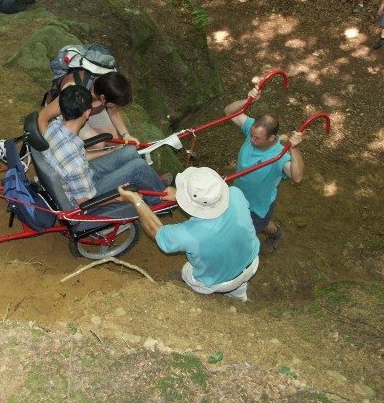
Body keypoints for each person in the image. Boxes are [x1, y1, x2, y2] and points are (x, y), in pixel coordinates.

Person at [118, 167, 260, 302]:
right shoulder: (236, 194)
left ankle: (203, 297)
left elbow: (154, 230)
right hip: (251, 262)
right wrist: (180, 197)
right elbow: (210, 207)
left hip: (217, 281)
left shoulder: (188, 234)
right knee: (238, 288)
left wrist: (136, 200)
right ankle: (240, 300)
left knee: (187, 270)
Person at [38, 85, 168, 208]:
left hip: (83, 176)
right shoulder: (75, 164)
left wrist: (111, 151)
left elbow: (80, 156)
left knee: (128, 151)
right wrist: (121, 198)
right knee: (139, 167)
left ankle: (154, 186)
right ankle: (160, 199)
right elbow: (84, 202)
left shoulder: (54, 127)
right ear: (87, 113)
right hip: (88, 195)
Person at [223, 86, 304, 252]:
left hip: (258, 204)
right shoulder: (253, 130)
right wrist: (247, 101)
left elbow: (297, 177)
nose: (251, 139)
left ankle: (276, 232)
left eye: (257, 138)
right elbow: (229, 111)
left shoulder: (279, 156)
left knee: (260, 225)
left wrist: (295, 149)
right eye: (251, 135)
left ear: (272, 138)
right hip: (239, 194)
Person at [50, 70, 140, 147]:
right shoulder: (74, 90)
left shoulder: (106, 88)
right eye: (114, 105)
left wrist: (126, 135)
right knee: (98, 144)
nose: (116, 108)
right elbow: (44, 116)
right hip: (70, 114)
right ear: (103, 97)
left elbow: (114, 112)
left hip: (90, 111)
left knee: (113, 141)